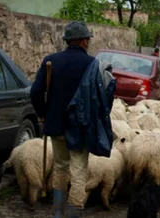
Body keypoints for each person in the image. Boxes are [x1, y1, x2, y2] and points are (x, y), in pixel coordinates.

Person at [30, 21, 95, 217]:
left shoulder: (51, 60)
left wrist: (43, 114)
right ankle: (73, 214)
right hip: (80, 128)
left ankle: (57, 213)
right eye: (88, 39)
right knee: (79, 171)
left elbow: (35, 92)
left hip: (56, 126)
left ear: (68, 41)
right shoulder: (92, 64)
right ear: (83, 41)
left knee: (60, 167)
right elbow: (97, 98)